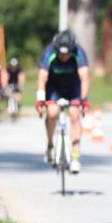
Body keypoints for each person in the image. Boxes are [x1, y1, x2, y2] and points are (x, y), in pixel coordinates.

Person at [35, 30, 90, 174]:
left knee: (74, 115)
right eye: (61, 53)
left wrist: (84, 100)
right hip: (54, 86)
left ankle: (76, 157)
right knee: (52, 113)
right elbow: (42, 77)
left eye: (67, 54)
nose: (64, 56)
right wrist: (40, 100)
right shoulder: (49, 51)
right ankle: (50, 144)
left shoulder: (79, 52)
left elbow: (84, 77)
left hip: (73, 87)